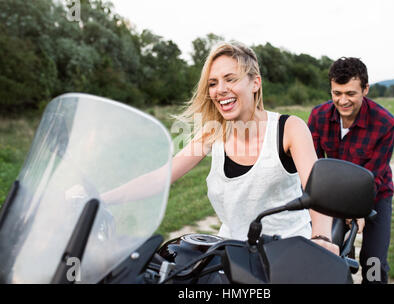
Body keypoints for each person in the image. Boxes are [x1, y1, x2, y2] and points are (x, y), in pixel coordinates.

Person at [100, 41, 338, 255]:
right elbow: (161, 177)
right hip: (232, 257)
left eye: (230, 79)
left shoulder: (289, 129)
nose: (219, 89)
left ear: (255, 83)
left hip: (289, 254)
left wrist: (321, 237)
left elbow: (317, 193)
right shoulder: (212, 132)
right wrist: (99, 200)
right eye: (213, 83)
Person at [307, 57, 394, 283]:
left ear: (365, 89)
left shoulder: (386, 124)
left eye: (350, 93)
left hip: (374, 194)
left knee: (374, 260)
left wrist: (358, 210)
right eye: (337, 93)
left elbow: (374, 176)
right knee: (325, 252)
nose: (343, 100)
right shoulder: (318, 117)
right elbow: (313, 166)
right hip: (330, 193)